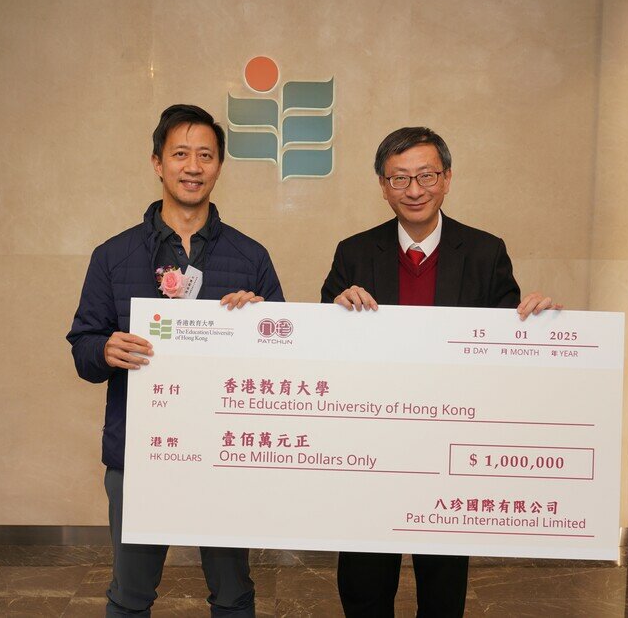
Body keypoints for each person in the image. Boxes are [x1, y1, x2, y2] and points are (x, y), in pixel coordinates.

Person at [321, 126, 560, 617]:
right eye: (400, 179)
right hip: (373, 449)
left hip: (450, 455)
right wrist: (335, 311)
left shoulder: (485, 251)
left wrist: (538, 322)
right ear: (383, 186)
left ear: (447, 178)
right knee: (364, 587)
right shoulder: (354, 252)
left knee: (443, 592)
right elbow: (323, 347)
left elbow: (508, 349)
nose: (414, 190)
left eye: (426, 175)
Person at [67, 104, 283, 617]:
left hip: (227, 452)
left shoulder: (251, 257)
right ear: (157, 163)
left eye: (205, 155)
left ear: (219, 167)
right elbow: (83, 348)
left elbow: (282, 359)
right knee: (131, 594)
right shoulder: (113, 256)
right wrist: (105, 349)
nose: (193, 166)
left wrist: (260, 326)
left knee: (233, 593)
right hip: (139, 455)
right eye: (180, 153)